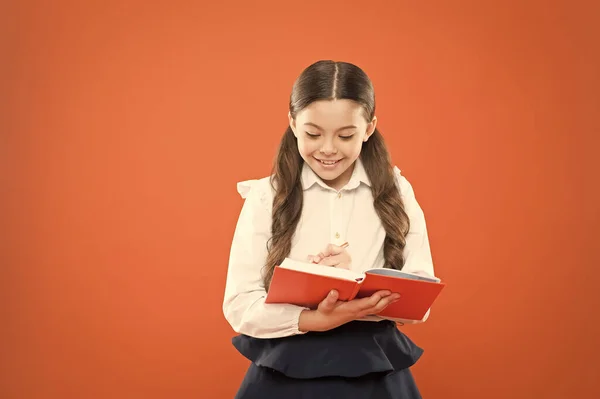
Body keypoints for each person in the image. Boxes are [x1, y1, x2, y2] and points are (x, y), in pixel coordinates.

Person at [222, 60, 437, 398]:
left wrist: (357, 286)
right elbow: (240, 306)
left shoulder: (396, 190)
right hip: (287, 371)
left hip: (374, 372)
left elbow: (421, 299)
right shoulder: (267, 195)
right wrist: (313, 316)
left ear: (369, 128)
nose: (328, 149)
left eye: (346, 135)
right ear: (293, 124)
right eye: (312, 133)